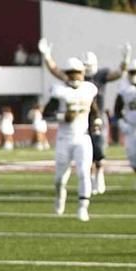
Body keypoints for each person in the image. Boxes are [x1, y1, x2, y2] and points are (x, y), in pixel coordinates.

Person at [39, 39, 132, 194]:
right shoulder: (76, 76)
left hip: (97, 115)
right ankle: (88, 180)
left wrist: (125, 61)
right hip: (79, 119)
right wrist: (47, 57)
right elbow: (56, 71)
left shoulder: (100, 76)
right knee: (85, 154)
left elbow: (118, 73)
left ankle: (99, 174)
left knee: (99, 150)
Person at [45, 58, 99, 222]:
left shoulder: (89, 89)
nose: (74, 77)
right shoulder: (59, 91)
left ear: (83, 73)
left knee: (84, 172)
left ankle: (83, 208)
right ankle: (60, 196)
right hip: (64, 138)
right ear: (66, 75)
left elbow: (94, 110)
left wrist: (96, 122)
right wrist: (63, 116)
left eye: (77, 73)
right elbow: (46, 114)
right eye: (71, 73)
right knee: (60, 179)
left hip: (83, 137)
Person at [115, 60, 136, 176]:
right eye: (132, 73)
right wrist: (120, 122)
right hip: (131, 127)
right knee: (133, 157)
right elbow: (117, 108)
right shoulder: (124, 89)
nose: (134, 76)